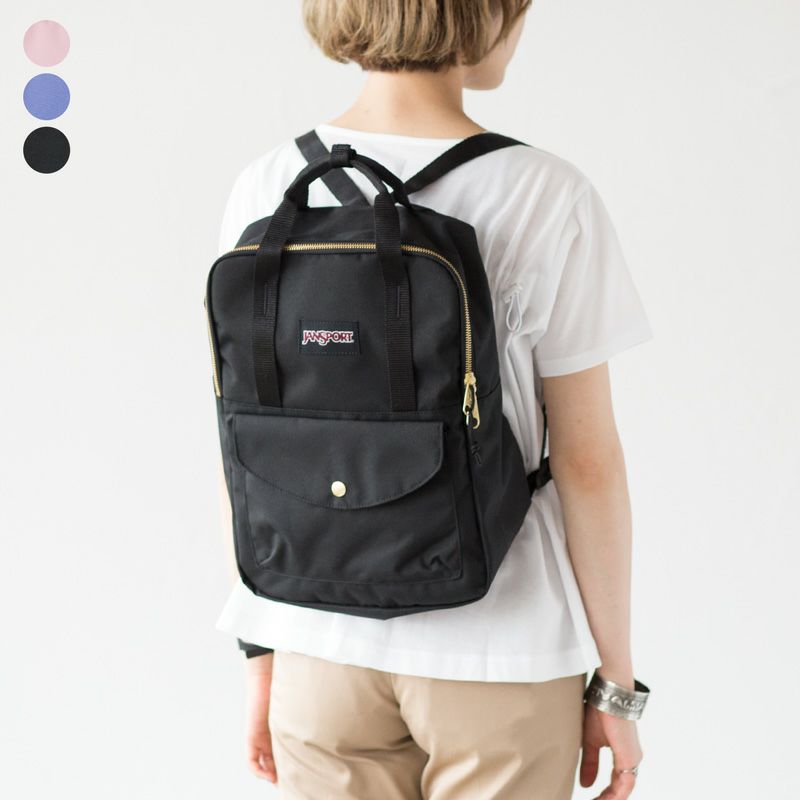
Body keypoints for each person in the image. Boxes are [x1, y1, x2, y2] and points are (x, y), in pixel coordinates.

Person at [213, 1, 653, 797]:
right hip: (502, 649)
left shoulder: (266, 184)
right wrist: (617, 685)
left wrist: (260, 650)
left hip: (316, 641)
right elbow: (587, 463)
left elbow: (242, 447)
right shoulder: (544, 192)